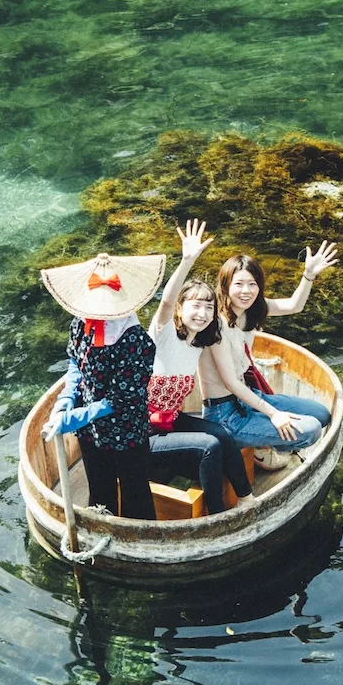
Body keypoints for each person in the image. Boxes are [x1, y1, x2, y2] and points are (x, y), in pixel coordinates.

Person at [39, 251, 167, 519]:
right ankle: (101, 532)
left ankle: (140, 541)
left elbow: (121, 399)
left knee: (135, 494)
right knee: (99, 491)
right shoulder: (80, 323)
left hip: (126, 429)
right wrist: (67, 399)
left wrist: (77, 417)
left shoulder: (135, 340)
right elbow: (75, 363)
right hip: (90, 429)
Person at [145, 220, 250, 514]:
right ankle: (216, 517)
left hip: (170, 421)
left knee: (221, 434)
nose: (202, 313)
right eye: (195, 305)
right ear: (180, 309)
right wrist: (187, 260)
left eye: (208, 307)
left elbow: (238, 315)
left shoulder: (198, 343)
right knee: (208, 446)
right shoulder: (164, 334)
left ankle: (247, 498)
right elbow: (166, 301)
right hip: (143, 432)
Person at [213, 246, 338, 468]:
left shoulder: (251, 310)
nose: (246, 291)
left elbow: (294, 305)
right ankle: (262, 444)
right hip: (225, 412)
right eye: (238, 284)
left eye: (252, 284)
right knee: (311, 430)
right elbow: (230, 382)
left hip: (248, 396)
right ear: (225, 286)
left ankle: (262, 441)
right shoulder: (215, 323)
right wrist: (274, 414)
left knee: (321, 414)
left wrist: (308, 275)